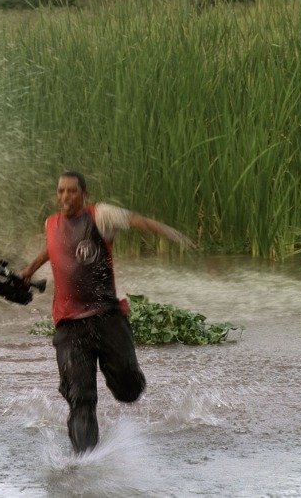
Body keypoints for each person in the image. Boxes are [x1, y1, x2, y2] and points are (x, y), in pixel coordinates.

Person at [19, 171, 194, 453]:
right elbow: (54, 248)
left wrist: (172, 234)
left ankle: (126, 382)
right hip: (69, 325)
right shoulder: (51, 223)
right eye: (61, 191)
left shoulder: (101, 216)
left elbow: (138, 221)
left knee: (129, 391)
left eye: (72, 191)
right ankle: (85, 461)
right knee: (80, 398)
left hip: (107, 318)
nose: (65, 197)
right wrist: (29, 270)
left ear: (84, 194)